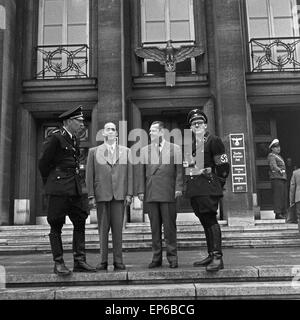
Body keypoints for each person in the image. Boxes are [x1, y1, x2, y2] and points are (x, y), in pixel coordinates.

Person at [38, 105, 96, 276]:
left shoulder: (75, 139)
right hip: (59, 188)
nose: (82, 125)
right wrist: (52, 182)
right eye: (79, 121)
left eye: (83, 121)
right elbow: (43, 164)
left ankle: (79, 261)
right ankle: (59, 263)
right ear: (69, 122)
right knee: (56, 224)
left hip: (75, 189)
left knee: (80, 221)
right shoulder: (55, 138)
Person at [183, 109, 230, 272]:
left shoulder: (214, 140)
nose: (197, 125)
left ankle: (218, 257)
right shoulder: (190, 144)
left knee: (210, 220)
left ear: (205, 125)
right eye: (194, 123)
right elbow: (187, 168)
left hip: (208, 188)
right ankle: (211, 254)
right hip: (195, 189)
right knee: (204, 221)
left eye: (200, 123)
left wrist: (217, 183)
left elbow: (223, 166)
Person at [86, 122, 133, 271]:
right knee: (103, 230)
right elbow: (89, 175)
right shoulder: (93, 152)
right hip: (101, 195)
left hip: (119, 195)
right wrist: (91, 195)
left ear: (117, 134)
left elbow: (130, 175)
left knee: (118, 230)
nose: (111, 131)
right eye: (108, 129)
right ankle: (103, 260)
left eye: (113, 129)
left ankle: (118, 261)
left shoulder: (126, 151)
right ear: (103, 134)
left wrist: (129, 194)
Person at [137, 121, 183, 268]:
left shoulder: (175, 149)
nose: (150, 133)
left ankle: (172, 257)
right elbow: (140, 172)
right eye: (150, 131)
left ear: (162, 132)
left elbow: (179, 171)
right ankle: (156, 257)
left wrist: (178, 188)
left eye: (153, 131)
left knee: (169, 228)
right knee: (155, 228)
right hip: (151, 192)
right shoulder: (145, 150)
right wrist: (140, 190)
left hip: (168, 191)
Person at [267, 139, 287, 219]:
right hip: (276, 177)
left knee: (282, 196)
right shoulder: (271, 155)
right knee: (278, 196)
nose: (278, 148)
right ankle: (278, 213)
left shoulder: (279, 156)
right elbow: (273, 166)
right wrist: (280, 170)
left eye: (278, 147)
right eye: (276, 147)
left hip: (282, 178)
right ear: (272, 148)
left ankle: (282, 212)